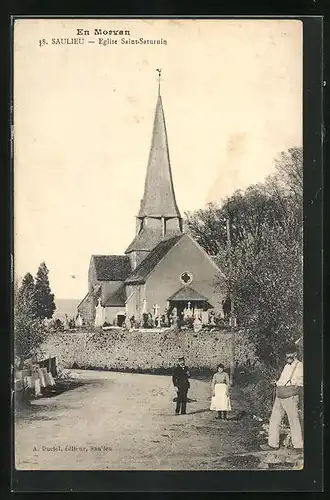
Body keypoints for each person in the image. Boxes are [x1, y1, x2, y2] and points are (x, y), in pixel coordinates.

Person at [261, 346, 303, 452]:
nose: (288, 356)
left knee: (293, 420)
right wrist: (276, 382)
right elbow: (282, 380)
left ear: (295, 354)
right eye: (287, 354)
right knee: (274, 420)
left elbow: (301, 382)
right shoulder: (286, 366)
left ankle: (298, 446)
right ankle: (272, 444)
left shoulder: (300, 366)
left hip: (290, 396)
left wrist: (294, 385)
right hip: (280, 396)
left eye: (291, 354)